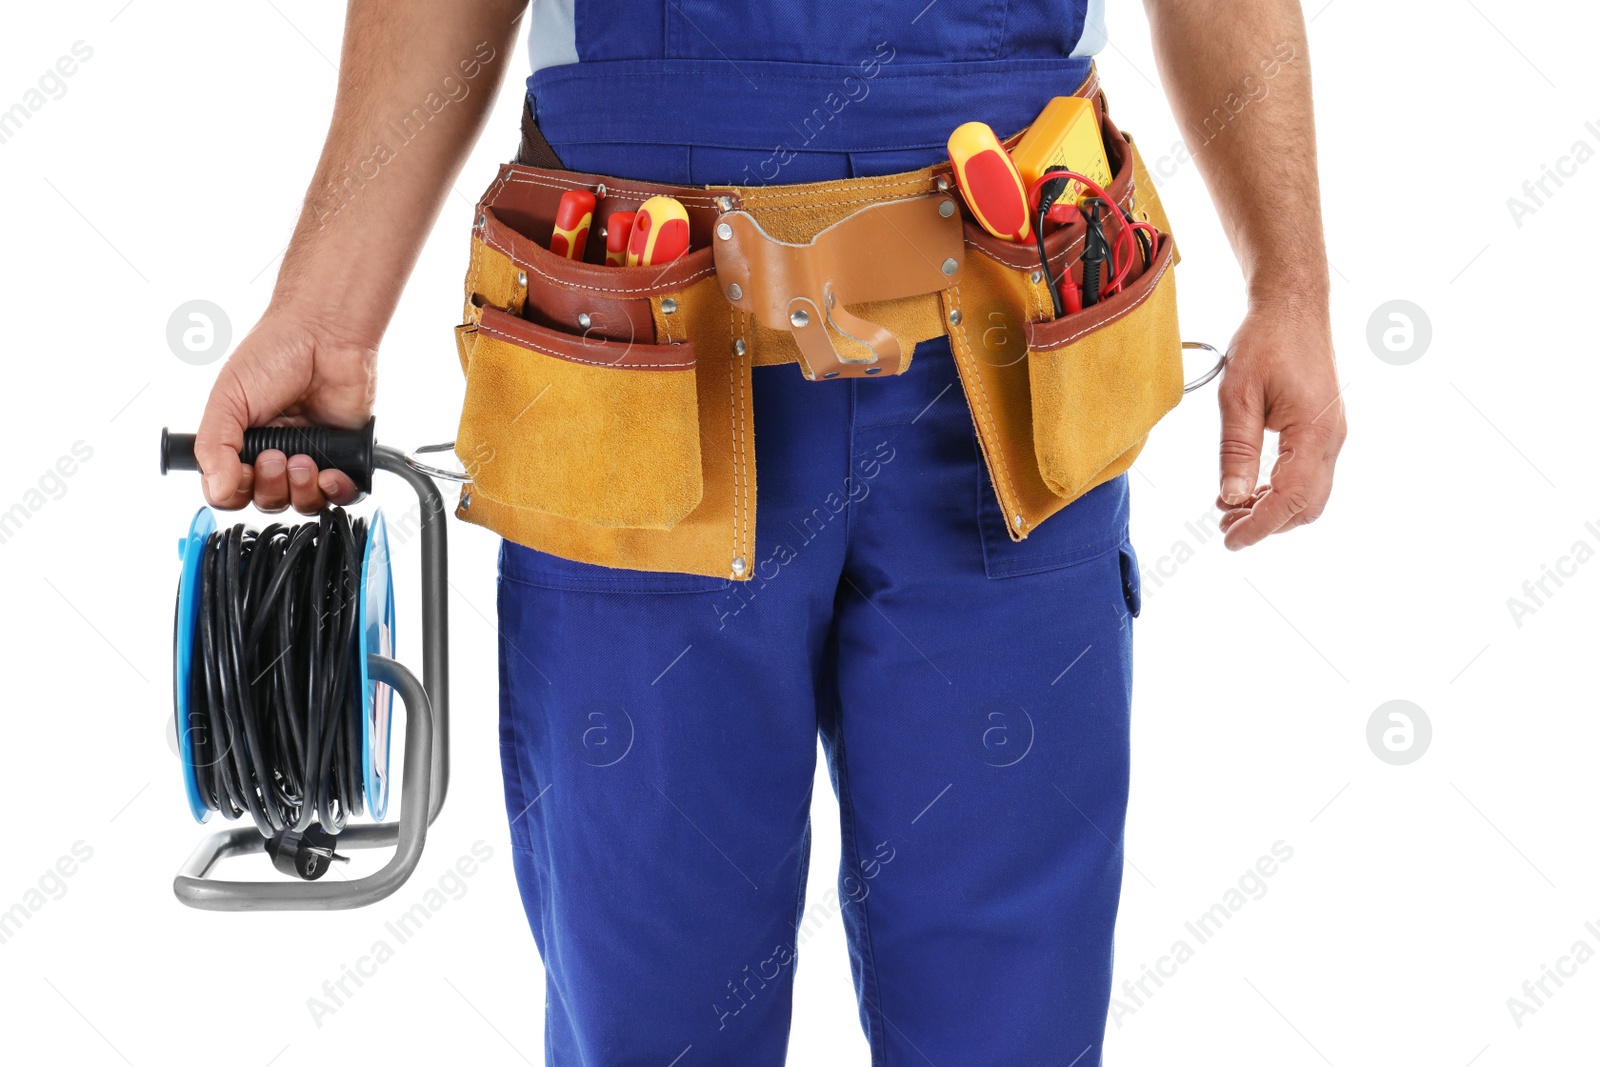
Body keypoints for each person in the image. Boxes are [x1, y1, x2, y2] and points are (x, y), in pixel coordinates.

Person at [193, 1, 1346, 1062]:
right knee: (655, 1022)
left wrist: (1290, 285)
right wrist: (324, 315)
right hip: (634, 378)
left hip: (1005, 375)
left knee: (1013, 1026)